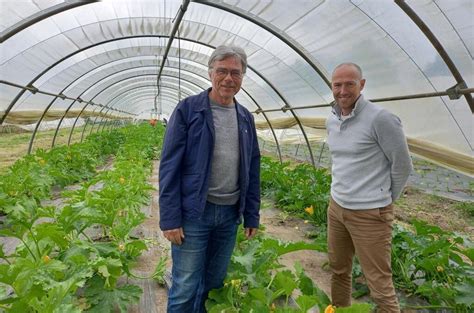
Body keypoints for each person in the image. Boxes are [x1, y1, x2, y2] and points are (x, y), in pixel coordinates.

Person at [159, 45, 260, 313]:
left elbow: (252, 167)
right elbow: (169, 167)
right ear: (210, 73)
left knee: (214, 285)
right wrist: (170, 219)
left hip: (229, 216)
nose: (228, 78)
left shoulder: (245, 118)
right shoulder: (189, 110)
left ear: (242, 77)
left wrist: (252, 214)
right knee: (184, 285)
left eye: (235, 73)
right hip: (195, 214)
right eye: (222, 71)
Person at [326, 63, 412, 312]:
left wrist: (383, 200)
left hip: (370, 215)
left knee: (379, 285)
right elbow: (340, 161)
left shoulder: (381, 119)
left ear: (361, 85)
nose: (342, 91)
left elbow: (402, 166)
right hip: (336, 207)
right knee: (339, 270)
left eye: (349, 84)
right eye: (337, 85)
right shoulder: (331, 119)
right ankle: (340, 309)